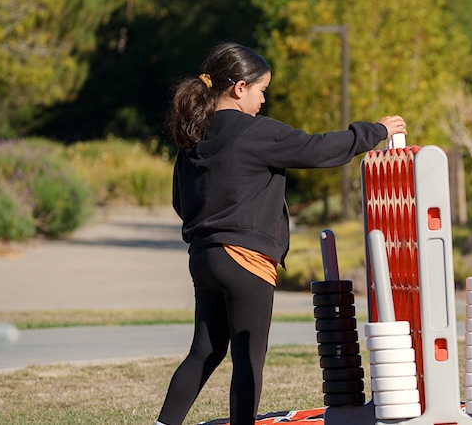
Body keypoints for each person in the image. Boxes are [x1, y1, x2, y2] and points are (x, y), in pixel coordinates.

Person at [156, 42, 406, 425]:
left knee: (204, 350)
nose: (263, 100)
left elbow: (179, 200)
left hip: (204, 258)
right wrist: (375, 131)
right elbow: (318, 150)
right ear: (239, 88)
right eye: (261, 91)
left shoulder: (193, 138)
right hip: (246, 260)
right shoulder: (257, 133)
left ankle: (163, 423)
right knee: (248, 357)